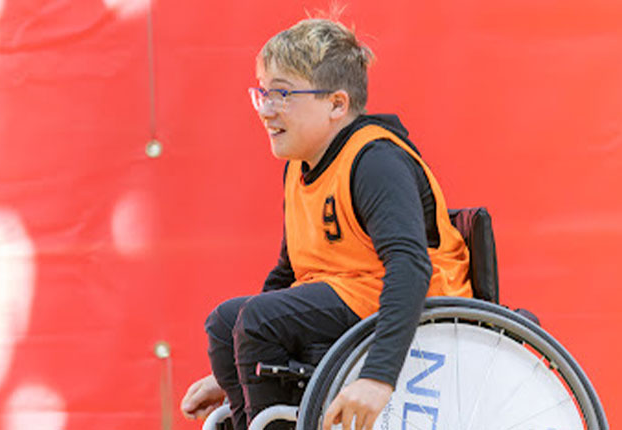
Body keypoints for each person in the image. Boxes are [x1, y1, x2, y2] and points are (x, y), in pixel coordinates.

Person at [180, 17, 473, 430]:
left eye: (281, 94)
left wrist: (377, 377)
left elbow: (410, 266)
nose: (266, 109)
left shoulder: (375, 161)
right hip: (348, 297)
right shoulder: (301, 168)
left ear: (337, 104)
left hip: (412, 302)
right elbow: (287, 274)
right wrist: (235, 372)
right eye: (262, 92)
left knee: (259, 322)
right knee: (226, 322)